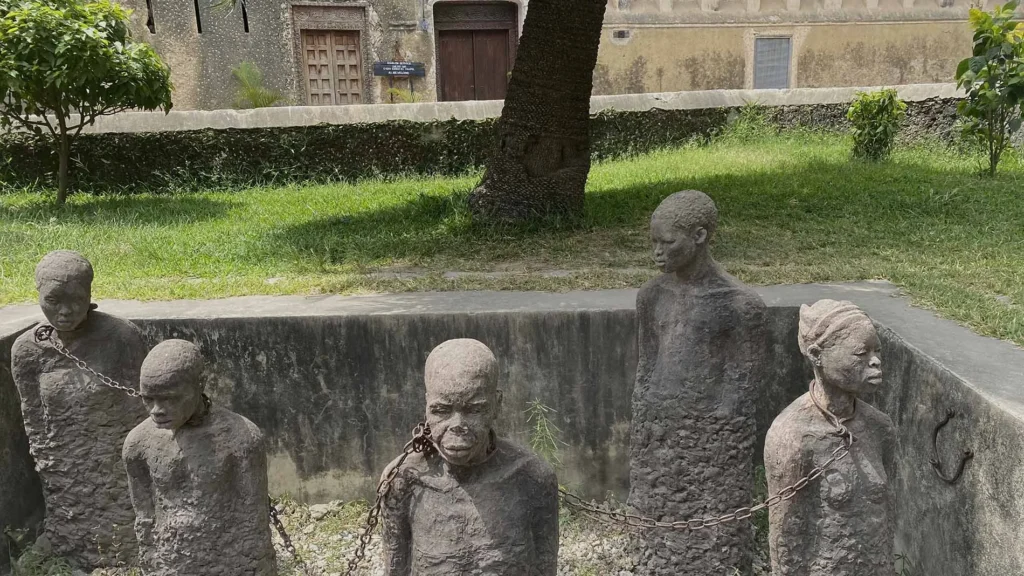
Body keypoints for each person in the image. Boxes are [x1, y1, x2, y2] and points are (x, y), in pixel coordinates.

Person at [630, 191, 768, 575]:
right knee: (657, 514)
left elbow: (743, 383)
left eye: (668, 243)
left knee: (711, 525)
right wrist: (646, 421)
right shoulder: (651, 296)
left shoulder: (739, 304)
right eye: (653, 242)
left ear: (700, 236)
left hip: (710, 436)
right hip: (657, 429)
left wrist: (714, 435)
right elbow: (647, 363)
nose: (657, 253)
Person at [11, 250, 148, 568]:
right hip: (65, 465)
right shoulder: (28, 350)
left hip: (113, 459)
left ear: (89, 294)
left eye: (76, 299)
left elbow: (142, 410)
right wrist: (53, 469)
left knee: (121, 531)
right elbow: (34, 421)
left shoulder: (121, 337)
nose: (65, 311)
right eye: (53, 300)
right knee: (69, 523)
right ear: (38, 294)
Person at [381, 338, 559, 576]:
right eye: (441, 410)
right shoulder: (404, 481)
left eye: (474, 410)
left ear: (497, 405)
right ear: (427, 406)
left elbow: (546, 567)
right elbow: (395, 568)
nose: (458, 425)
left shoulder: (532, 478)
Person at [122, 339, 277, 576]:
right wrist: (153, 561)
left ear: (200, 384)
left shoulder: (241, 437)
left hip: (227, 560)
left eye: (170, 398)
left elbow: (252, 523)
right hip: (171, 560)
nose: (157, 410)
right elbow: (144, 517)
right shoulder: (138, 444)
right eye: (148, 399)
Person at [765, 299, 896, 576]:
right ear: (817, 355)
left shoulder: (879, 427)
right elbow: (786, 536)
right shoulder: (793, 436)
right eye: (860, 353)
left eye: (877, 351)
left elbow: (886, 516)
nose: (875, 361)